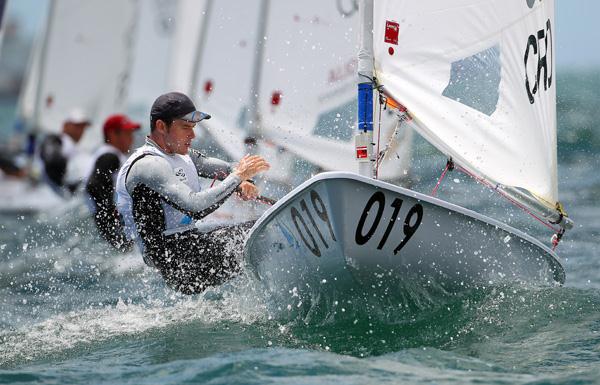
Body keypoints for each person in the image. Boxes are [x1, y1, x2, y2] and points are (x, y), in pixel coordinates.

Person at [116, 92, 270, 294]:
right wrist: (237, 178)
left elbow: (228, 168)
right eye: (185, 127)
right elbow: (196, 207)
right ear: (162, 126)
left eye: (193, 128)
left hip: (192, 245)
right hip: (178, 262)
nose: (193, 135)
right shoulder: (148, 165)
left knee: (261, 227)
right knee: (267, 233)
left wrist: (242, 179)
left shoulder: (181, 155)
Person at [86, 114, 140, 252]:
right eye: (127, 133)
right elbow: (93, 185)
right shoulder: (109, 156)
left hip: (109, 222)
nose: (131, 137)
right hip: (112, 223)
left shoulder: (110, 154)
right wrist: (112, 213)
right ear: (112, 134)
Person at [39, 108, 91, 194]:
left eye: (83, 127)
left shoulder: (77, 147)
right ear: (65, 125)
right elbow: (52, 161)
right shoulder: (61, 141)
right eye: (77, 126)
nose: (81, 130)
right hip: (52, 192)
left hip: (66, 192)